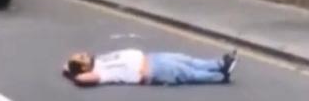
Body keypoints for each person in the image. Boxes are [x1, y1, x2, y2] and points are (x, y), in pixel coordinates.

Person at [62, 48, 237, 87]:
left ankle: (221, 64)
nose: (83, 53)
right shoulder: (100, 74)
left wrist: (68, 68)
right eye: (81, 57)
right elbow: (79, 79)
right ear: (84, 68)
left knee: (187, 60)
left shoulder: (97, 61)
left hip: (151, 57)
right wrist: (71, 74)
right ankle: (220, 76)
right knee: (187, 73)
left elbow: (66, 66)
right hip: (153, 70)